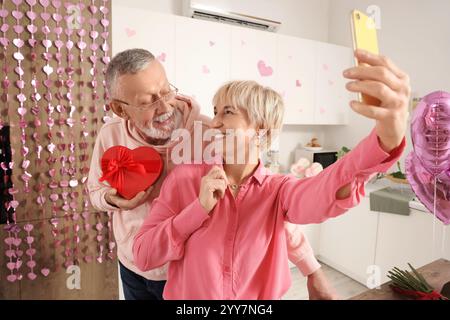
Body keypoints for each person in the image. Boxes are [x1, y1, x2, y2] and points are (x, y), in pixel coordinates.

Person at [133, 50, 410, 299]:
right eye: (215, 111)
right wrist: (197, 209)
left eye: (227, 112)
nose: (214, 122)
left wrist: (384, 142)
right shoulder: (185, 180)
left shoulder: (279, 190)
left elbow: (324, 190)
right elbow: (143, 255)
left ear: (260, 128)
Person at [88, 48, 337, 300]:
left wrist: (312, 269)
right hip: (133, 266)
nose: (164, 106)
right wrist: (112, 199)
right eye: (148, 102)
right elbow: (94, 192)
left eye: (166, 91)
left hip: (184, 275)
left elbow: (266, 205)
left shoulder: (212, 134)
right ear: (120, 110)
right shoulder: (110, 136)